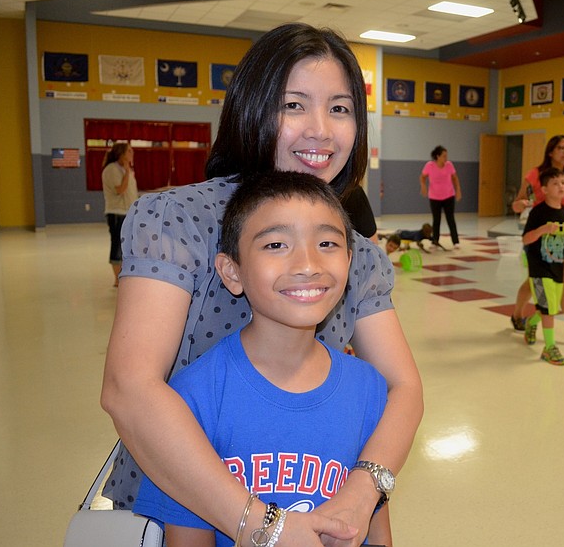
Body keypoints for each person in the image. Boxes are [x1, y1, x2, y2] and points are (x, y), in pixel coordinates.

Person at [101, 23, 423, 547]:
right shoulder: (179, 218)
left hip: (309, 498)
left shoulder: (357, 254)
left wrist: (364, 492)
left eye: (340, 108)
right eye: (294, 105)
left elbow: (403, 388)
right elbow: (129, 387)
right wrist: (264, 526)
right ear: (251, 109)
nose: (320, 129)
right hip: (174, 508)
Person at [134, 171, 391, 547]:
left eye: (326, 243)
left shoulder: (368, 388)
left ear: (350, 261)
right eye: (275, 245)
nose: (308, 263)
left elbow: (378, 533)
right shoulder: (192, 397)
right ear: (232, 272)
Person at [510, 135, 564, 349]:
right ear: (551, 151)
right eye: (561, 148)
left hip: (563, 239)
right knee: (534, 282)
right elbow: (518, 204)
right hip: (540, 239)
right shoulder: (536, 174)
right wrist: (523, 204)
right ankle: (518, 314)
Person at [522, 167, 564, 366]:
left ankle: (531, 323)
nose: (561, 186)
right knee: (547, 306)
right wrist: (543, 230)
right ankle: (549, 347)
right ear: (545, 189)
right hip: (539, 268)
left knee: (551, 308)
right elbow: (526, 239)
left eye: (563, 183)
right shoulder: (538, 213)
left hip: (556, 267)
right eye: (555, 183)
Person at [101, 142, 138, 286]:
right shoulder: (112, 169)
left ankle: (125, 274)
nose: (132, 153)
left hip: (128, 212)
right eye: (129, 151)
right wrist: (127, 172)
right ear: (121, 153)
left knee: (127, 246)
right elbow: (120, 190)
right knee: (117, 245)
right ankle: (117, 279)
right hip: (117, 213)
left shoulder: (125, 169)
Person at [420, 145, 461, 250]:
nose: (446, 158)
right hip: (434, 197)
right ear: (437, 156)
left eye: (446, 156)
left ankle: (456, 241)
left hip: (448, 196)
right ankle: (435, 241)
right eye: (444, 156)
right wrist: (423, 187)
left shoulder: (449, 165)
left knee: (450, 218)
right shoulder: (430, 165)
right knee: (436, 220)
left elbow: (455, 178)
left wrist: (458, 191)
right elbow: (423, 177)